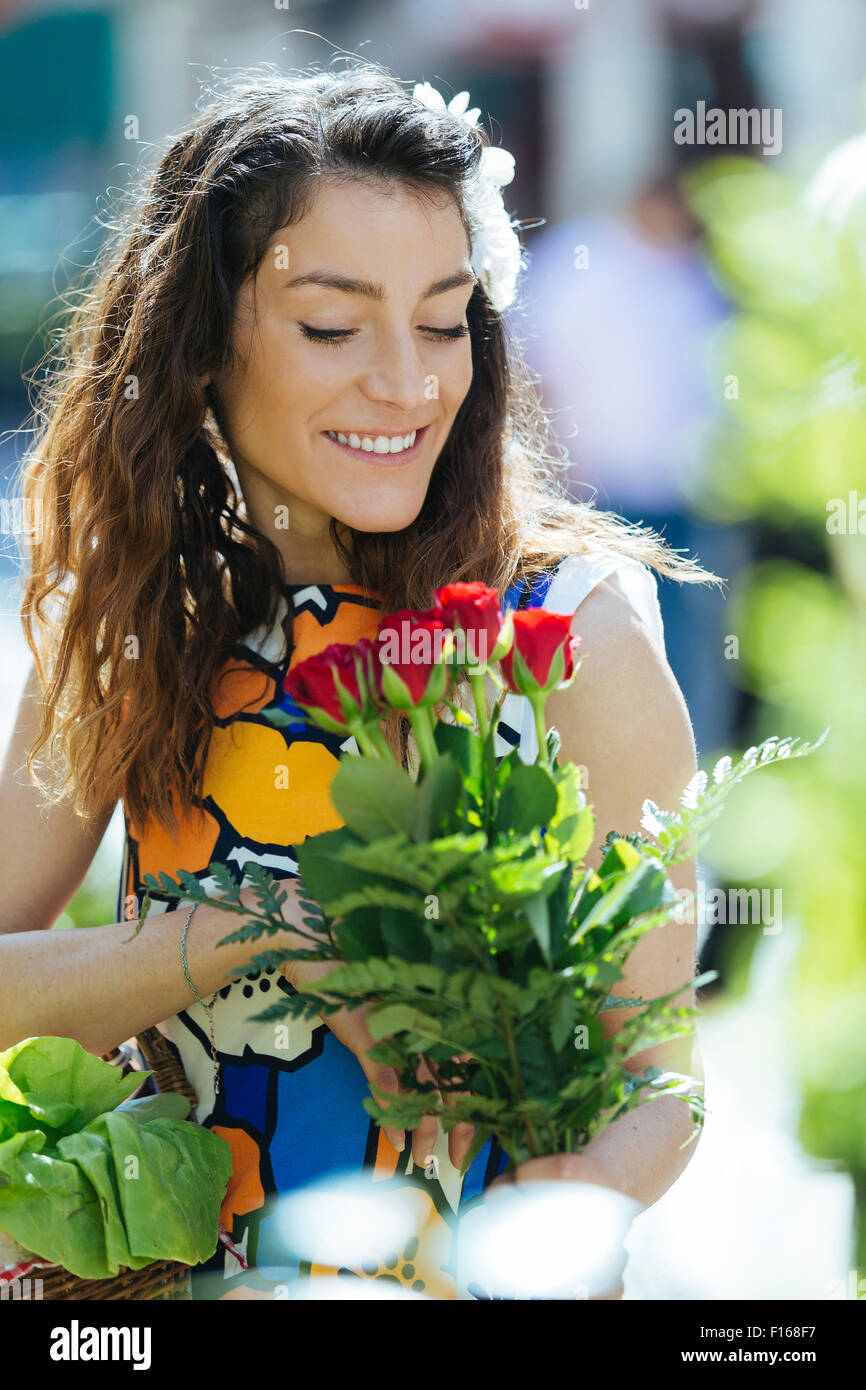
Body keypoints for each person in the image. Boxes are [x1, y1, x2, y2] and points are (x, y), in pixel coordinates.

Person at [0, 61, 717, 1300]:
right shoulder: (140, 626)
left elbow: (661, 1078)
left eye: (444, 319)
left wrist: (584, 1190)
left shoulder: (568, 635)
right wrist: (261, 934)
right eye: (333, 326)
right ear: (203, 339)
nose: (408, 381)